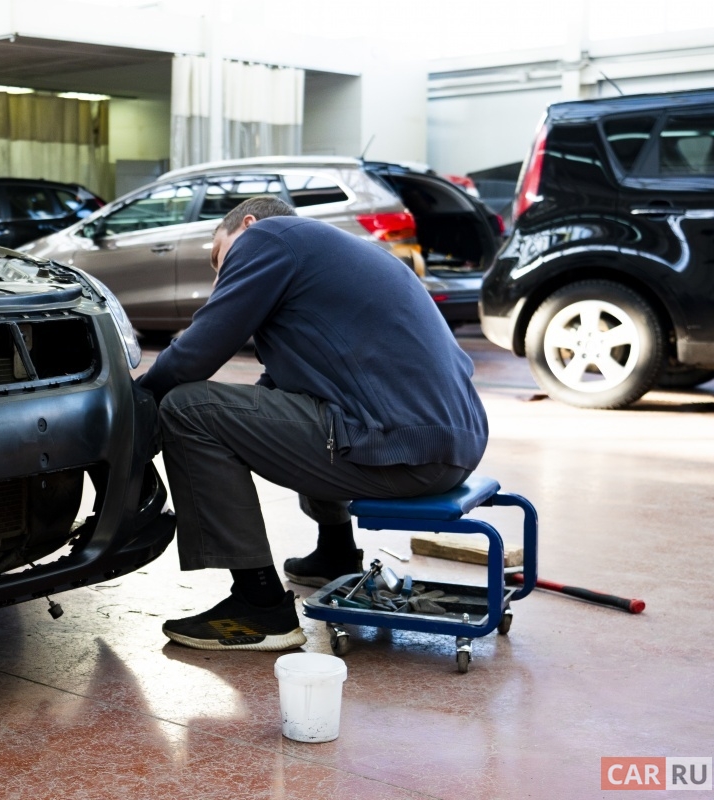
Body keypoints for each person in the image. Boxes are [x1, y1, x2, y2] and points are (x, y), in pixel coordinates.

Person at [135, 196, 488, 651]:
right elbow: (277, 395)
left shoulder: (267, 238)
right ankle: (335, 552)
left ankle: (258, 604)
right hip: (450, 444)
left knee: (186, 408)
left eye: (217, 257)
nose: (219, 274)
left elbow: (200, 350)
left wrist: (138, 398)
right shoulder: (336, 254)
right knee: (301, 404)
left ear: (246, 226)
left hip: (406, 449)